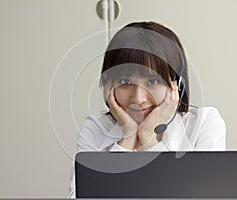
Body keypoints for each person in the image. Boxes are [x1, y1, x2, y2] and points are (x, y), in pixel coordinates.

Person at [68, 21, 226, 198]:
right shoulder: (95, 128)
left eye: (152, 81)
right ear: (109, 84)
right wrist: (127, 137)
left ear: (177, 85)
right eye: (126, 82)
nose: (138, 99)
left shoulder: (203, 124)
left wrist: (149, 139)